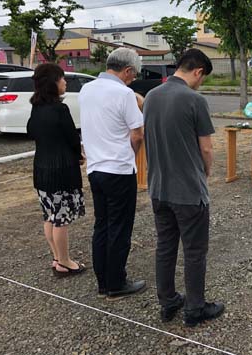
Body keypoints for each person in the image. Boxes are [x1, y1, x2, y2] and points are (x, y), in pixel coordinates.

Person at [143, 48, 225, 327]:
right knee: (194, 251)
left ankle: (167, 303)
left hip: (158, 188)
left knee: (165, 247)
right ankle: (195, 308)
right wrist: (207, 172)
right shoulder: (194, 100)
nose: (201, 83)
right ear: (198, 71)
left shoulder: (152, 97)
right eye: (202, 78)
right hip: (188, 191)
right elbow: (206, 148)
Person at [78, 47, 146, 300]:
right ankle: (117, 282)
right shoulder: (123, 93)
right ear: (127, 71)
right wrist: (131, 153)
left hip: (95, 168)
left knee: (102, 225)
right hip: (119, 169)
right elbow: (137, 132)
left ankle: (103, 282)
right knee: (120, 227)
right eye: (134, 74)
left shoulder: (87, 89)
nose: (134, 78)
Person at [27, 63, 86, 277]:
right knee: (61, 219)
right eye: (62, 78)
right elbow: (72, 138)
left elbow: (31, 131)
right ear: (53, 83)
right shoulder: (60, 109)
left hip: (41, 168)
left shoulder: (36, 107)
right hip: (61, 171)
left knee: (49, 216)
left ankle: (56, 257)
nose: (65, 82)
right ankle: (65, 262)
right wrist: (79, 155)